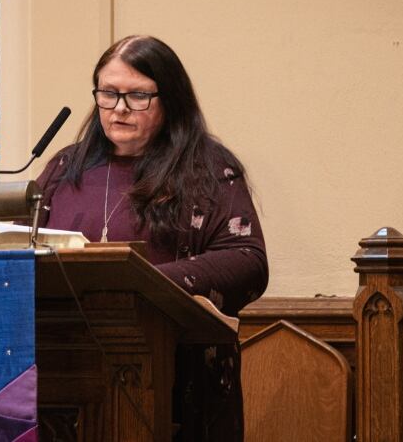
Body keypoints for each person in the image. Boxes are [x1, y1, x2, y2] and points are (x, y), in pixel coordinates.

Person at [35, 35, 268, 441]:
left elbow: (247, 259)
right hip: (67, 370)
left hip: (174, 374)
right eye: (108, 93)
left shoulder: (207, 168)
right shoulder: (64, 169)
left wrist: (141, 284)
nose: (120, 108)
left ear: (170, 99)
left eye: (138, 96)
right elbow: (26, 247)